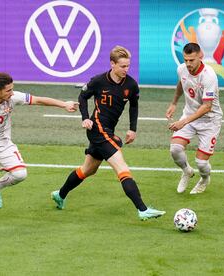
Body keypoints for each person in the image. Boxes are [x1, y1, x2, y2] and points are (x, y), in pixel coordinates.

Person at [50, 46, 165, 220]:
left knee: (88, 170)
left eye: (128, 66)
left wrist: (133, 128)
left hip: (108, 130)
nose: (126, 70)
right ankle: (142, 209)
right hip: (97, 129)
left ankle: (60, 194)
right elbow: (83, 97)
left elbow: (134, 106)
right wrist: (85, 118)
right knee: (122, 168)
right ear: (112, 64)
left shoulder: (131, 85)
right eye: (123, 66)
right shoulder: (98, 81)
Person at [0, 72, 79, 225]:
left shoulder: (12, 97)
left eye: (12, 89)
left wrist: (64, 104)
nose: (12, 93)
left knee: (20, 174)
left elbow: (38, 100)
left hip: (3, 142)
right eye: (8, 90)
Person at [166, 43, 223, 194]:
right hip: (189, 114)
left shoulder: (209, 76)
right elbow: (181, 83)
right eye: (186, 60)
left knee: (202, 163)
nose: (188, 64)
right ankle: (186, 171)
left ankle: (204, 179)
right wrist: (174, 103)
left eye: (192, 60)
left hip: (210, 120)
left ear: (200, 56)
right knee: (175, 149)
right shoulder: (181, 69)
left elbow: (207, 107)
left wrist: (182, 122)